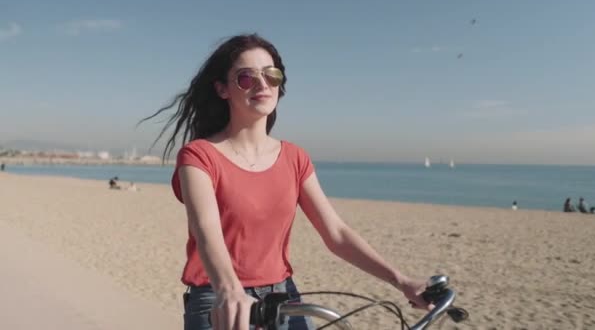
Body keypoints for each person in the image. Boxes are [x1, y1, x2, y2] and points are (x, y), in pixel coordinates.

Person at [140, 34, 432, 330]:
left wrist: (402, 281)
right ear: (222, 89)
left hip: (283, 297)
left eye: (271, 75)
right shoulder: (199, 155)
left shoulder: (295, 157)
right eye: (245, 78)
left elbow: (337, 234)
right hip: (221, 299)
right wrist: (230, 290)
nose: (262, 84)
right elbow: (206, 232)